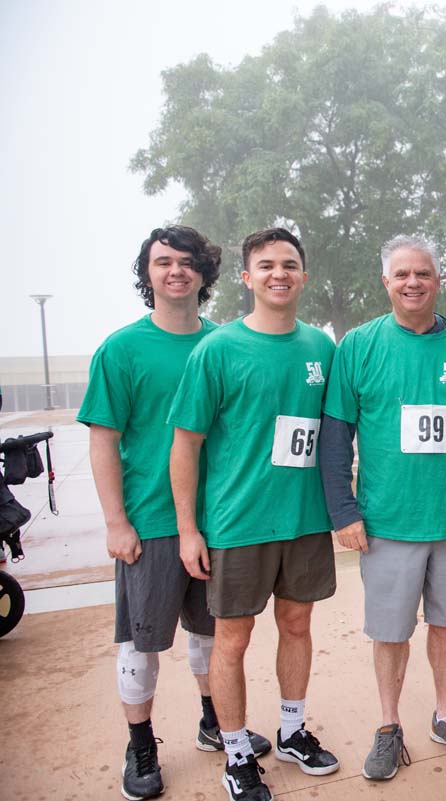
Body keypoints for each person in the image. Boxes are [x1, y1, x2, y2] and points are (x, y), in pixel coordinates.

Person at [77, 226, 268, 800]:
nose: (176, 271)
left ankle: (215, 723)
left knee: (211, 637)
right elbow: (104, 440)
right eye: (163, 263)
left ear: (206, 274)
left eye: (188, 262)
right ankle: (141, 745)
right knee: (143, 643)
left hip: (222, 522)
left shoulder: (226, 342)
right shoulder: (121, 349)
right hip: (152, 524)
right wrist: (116, 521)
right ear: (148, 273)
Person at [321, 235, 446, 781]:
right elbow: (337, 437)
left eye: (422, 274)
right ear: (386, 282)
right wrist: (343, 509)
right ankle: (388, 726)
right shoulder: (358, 346)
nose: (412, 283)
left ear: (437, 280)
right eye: (402, 274)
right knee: (391, 631)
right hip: (386, 522)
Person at [169, 228, 339, 801]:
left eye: (289, 264)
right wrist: (189, 529)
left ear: (303, 276)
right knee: (232, 642)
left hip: (306, 522)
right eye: (266, 265)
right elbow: (185, 444)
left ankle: (291, 731)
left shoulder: (321, 348)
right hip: (237, 526)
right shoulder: (216, 351)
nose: (279, 273)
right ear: (247, 278)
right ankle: (238, 751)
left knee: (297, 627)